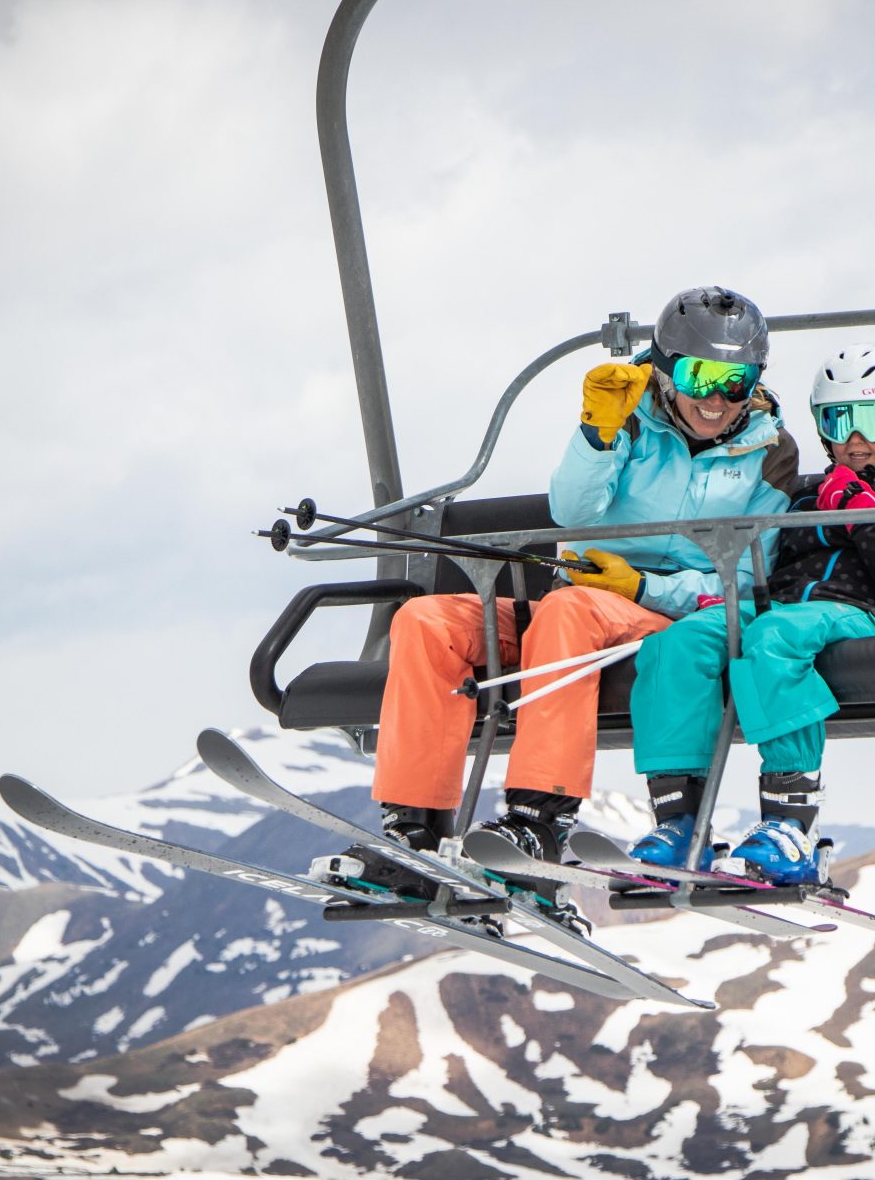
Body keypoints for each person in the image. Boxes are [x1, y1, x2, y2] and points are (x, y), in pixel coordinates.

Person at [332, 286, 799, 916]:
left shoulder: (771, 455)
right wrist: (596, 434)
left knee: (569, 611)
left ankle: (539, 821)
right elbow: (573, 516)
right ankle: (414, 829)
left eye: (737, 381)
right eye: (700, 375)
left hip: (672, 614)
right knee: (426, 620)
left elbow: (747, 580)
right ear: (663, 368)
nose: (717, 398)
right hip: (576, 599)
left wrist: (642, 587)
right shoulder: (631, 416)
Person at [623, 342, 875, 885]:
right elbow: (774, 564)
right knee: (678, 642)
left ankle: (789, 824)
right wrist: (731, 599)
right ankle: (678, 822)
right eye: (837, 420)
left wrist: (860, 510)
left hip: (867, 613)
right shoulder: (810, 495)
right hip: (784, 608)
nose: (853, 441)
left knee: (775, 636)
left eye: (872, 419)